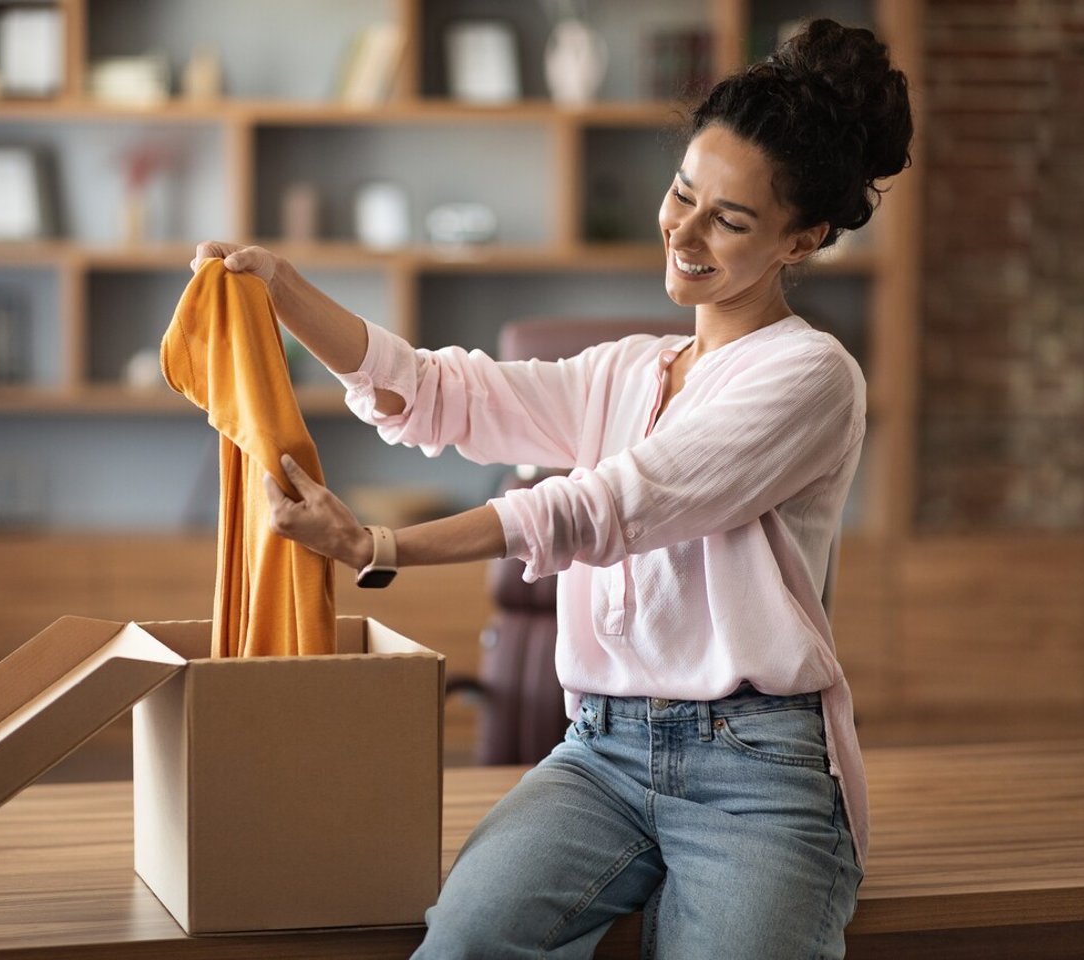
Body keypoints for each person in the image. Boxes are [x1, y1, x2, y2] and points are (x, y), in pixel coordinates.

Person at [191, 17, 912, 958]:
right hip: (601, 753)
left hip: (754, 767)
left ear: (803, 237)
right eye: (683, 194)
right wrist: (289, 291)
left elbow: (610, 508)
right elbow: (444, 391)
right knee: (459, 946)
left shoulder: (811, 377)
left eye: (729, 220)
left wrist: (380, 548)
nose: (685, 232)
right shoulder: (630, 369)